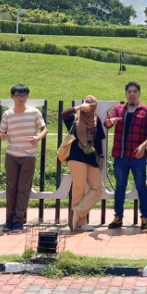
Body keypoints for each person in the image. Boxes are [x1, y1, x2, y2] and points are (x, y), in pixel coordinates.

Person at [105, 82, 147, 230]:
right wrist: (110, 121)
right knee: (120, 186)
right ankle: (118, 217)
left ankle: (145, 217)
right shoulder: (119, 109)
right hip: (120, 156)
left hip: (138, 157)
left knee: (141, 185)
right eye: (129, 92)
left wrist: (144, 145)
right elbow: (106, 123)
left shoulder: (146, 111)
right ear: (125, 94)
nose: (132, 94)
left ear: (139, 94)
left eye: (135, 91)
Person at [0, 84, 48, 233]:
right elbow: (1, 132)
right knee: (11, 188)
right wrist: (3, 136)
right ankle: (9, 220)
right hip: (12, 154)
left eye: (24, 95)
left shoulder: (34, 112)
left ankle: (19, 220)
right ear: (12, 96)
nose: (21, 98)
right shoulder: (7, 114)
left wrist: (38, 138)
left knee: (23, 189)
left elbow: (44, 129)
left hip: (29, 155)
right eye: (18, 95)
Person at [61, 95, 105, 232]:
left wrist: (102, 157)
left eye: (91, 102)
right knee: (79, 189)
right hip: (76, 157)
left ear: (95, 105)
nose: (88, 104)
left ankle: (77, 212)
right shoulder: (76, 117)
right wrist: (80, 107)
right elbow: (64, 114)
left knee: (97, 188)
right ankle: (80, 223)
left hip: (91, 158)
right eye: (85, 101)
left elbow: (98, 142)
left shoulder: (96, 121)